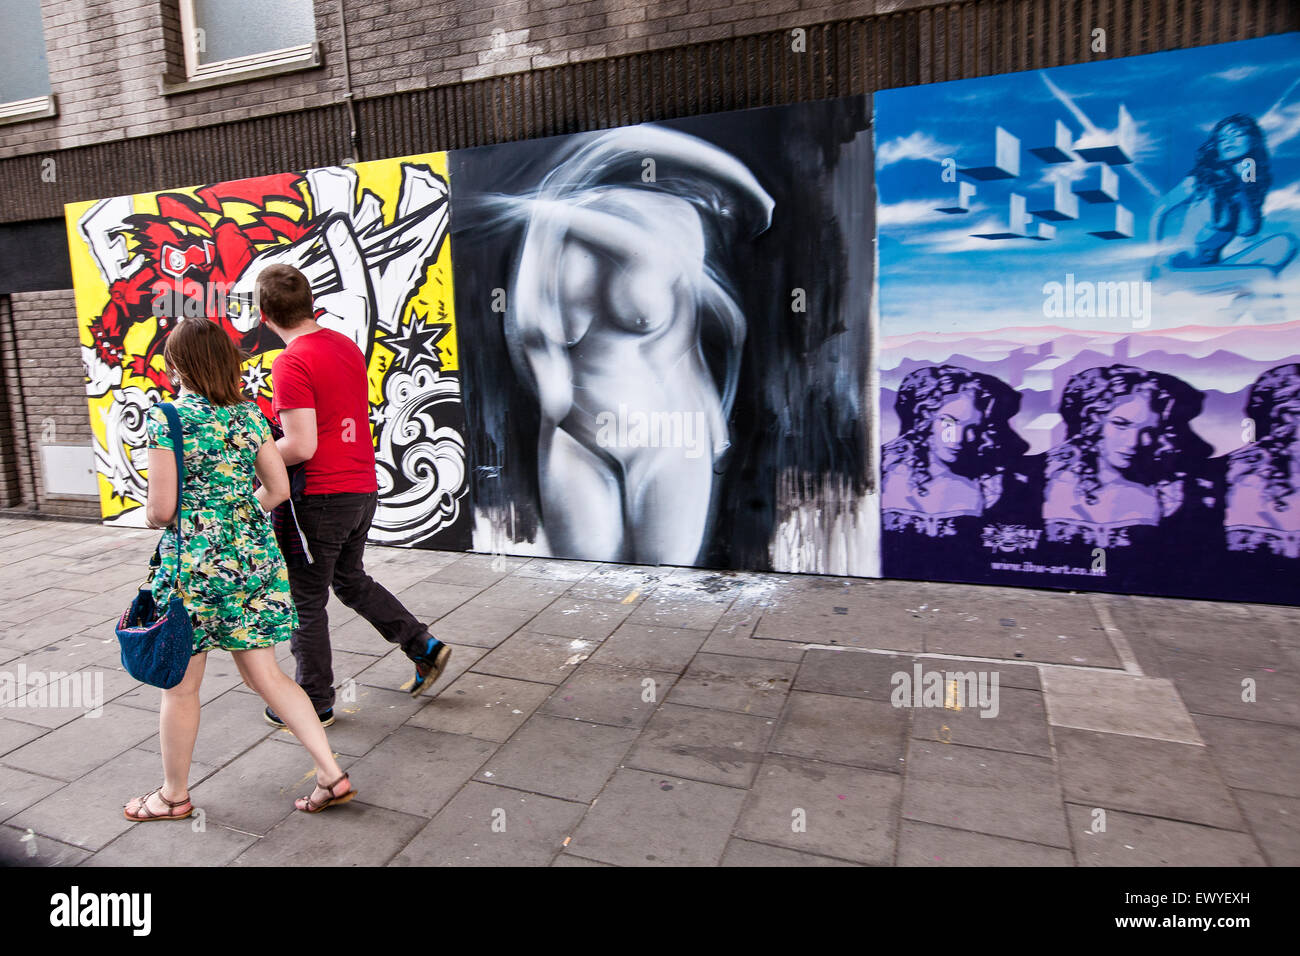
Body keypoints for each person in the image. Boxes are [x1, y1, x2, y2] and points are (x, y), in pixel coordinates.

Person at [125, 316, 355, 821]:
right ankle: (330, 774)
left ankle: (173, 797)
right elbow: (275, 491)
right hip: (254, 561)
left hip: (193, 572)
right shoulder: (249, 414)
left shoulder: (168, 418)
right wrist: (234, 518)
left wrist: (173, 518)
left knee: (182, 685)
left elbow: (161, 512)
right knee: (268, 674)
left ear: (178, 365)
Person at [253, 263, 452, 728]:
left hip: (316, 498)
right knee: (350, 580)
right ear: (311, 303)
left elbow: (302, 444)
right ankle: (422, 646)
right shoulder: (343, 345)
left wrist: (256, 454)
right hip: (360, 488)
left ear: (264, 316)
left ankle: (314, 702)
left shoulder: (291, 361)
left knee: (305, 598)